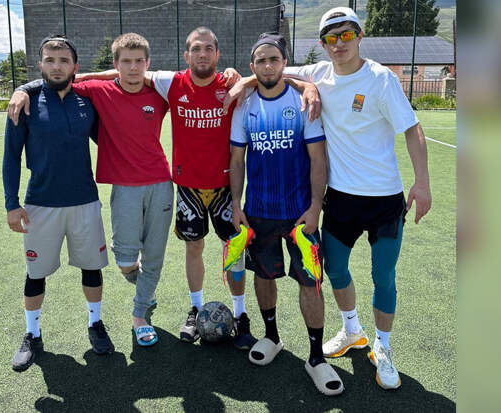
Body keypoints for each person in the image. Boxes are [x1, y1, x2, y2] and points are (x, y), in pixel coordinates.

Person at [72, 26, 320, 349]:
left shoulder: (231, 85)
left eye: (208, 49)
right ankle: (195, 307)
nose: (202, 54)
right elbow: (126, 72)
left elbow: (272, 77)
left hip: (224, 187)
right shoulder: (171, 82)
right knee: (194, 248)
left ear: (217, 55)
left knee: (234, 252)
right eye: (196, 49)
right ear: (186, 55)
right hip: (188, 186)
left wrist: (305, 86)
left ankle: (240, 314)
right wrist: (77, 77)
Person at [228, 7, 433, 390]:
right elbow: (272, 74)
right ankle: (348, 331)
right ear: (322, 44)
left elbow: (411, 129)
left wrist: (422, 182)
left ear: (359, 36)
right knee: (332, 271)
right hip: (335, 200)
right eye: (331, 38)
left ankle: (377, 348)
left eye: (346, 35)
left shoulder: (381, 79)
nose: (339, 43)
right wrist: (244, 83)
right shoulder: (316, 74)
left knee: (379, 276)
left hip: (381, 199)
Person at [8, 33, 173, 347]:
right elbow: (59, 80)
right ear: (116, 65)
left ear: (148, 63)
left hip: (147, 186)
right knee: (122, 262)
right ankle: (33, 333)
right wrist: (22, 88)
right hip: (95, 192)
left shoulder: (156, 93)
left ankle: (126, 317)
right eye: (126, 62)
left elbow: (194, 86)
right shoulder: (95, 91)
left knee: (139, 259)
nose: (133, 67)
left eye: (139, 61)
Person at [229, 32, 343, 396]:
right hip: (258, 212)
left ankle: (316, 357)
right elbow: (237, 161)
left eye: (273, 59)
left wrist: (315, 207)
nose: (267, 66)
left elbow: (317, 160)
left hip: (299, 215)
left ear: (284, 63)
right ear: (252, 66)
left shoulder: (303, 101)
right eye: (261, 60)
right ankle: (272, 337)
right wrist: (236, 205)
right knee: (264, 276)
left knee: (311, 283)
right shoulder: (244, 105)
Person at [3, 35, 112, 372]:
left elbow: (110, 135)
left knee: (91, 268)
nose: (56, 66)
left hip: (84, 201)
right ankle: (32, 334)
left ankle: (95, 324)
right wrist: (11, 204)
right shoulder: (25, 103)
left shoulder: (86, 101)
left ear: (75, 67)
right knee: (36, 273)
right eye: (49, 60)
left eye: (63, 60)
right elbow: (11, 157)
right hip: (40, 205)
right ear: (40, 64)